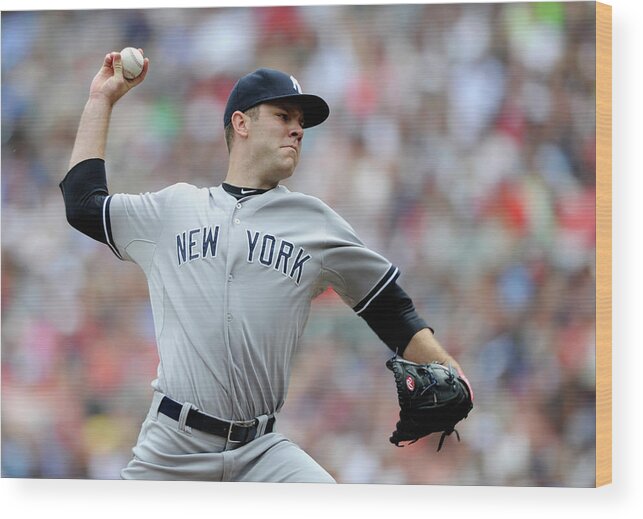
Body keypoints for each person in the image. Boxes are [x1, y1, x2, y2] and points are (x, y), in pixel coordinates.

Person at [60, 51, 472, 482]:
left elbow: (392, 311)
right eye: (283, 115)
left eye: (301, 122)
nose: (297, 129)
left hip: (261, 454)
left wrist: (451, 370)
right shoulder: (174, 209)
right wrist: (100, 100)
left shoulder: (316, 223)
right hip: (171, 450)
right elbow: (83, 205)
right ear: (241, 123)